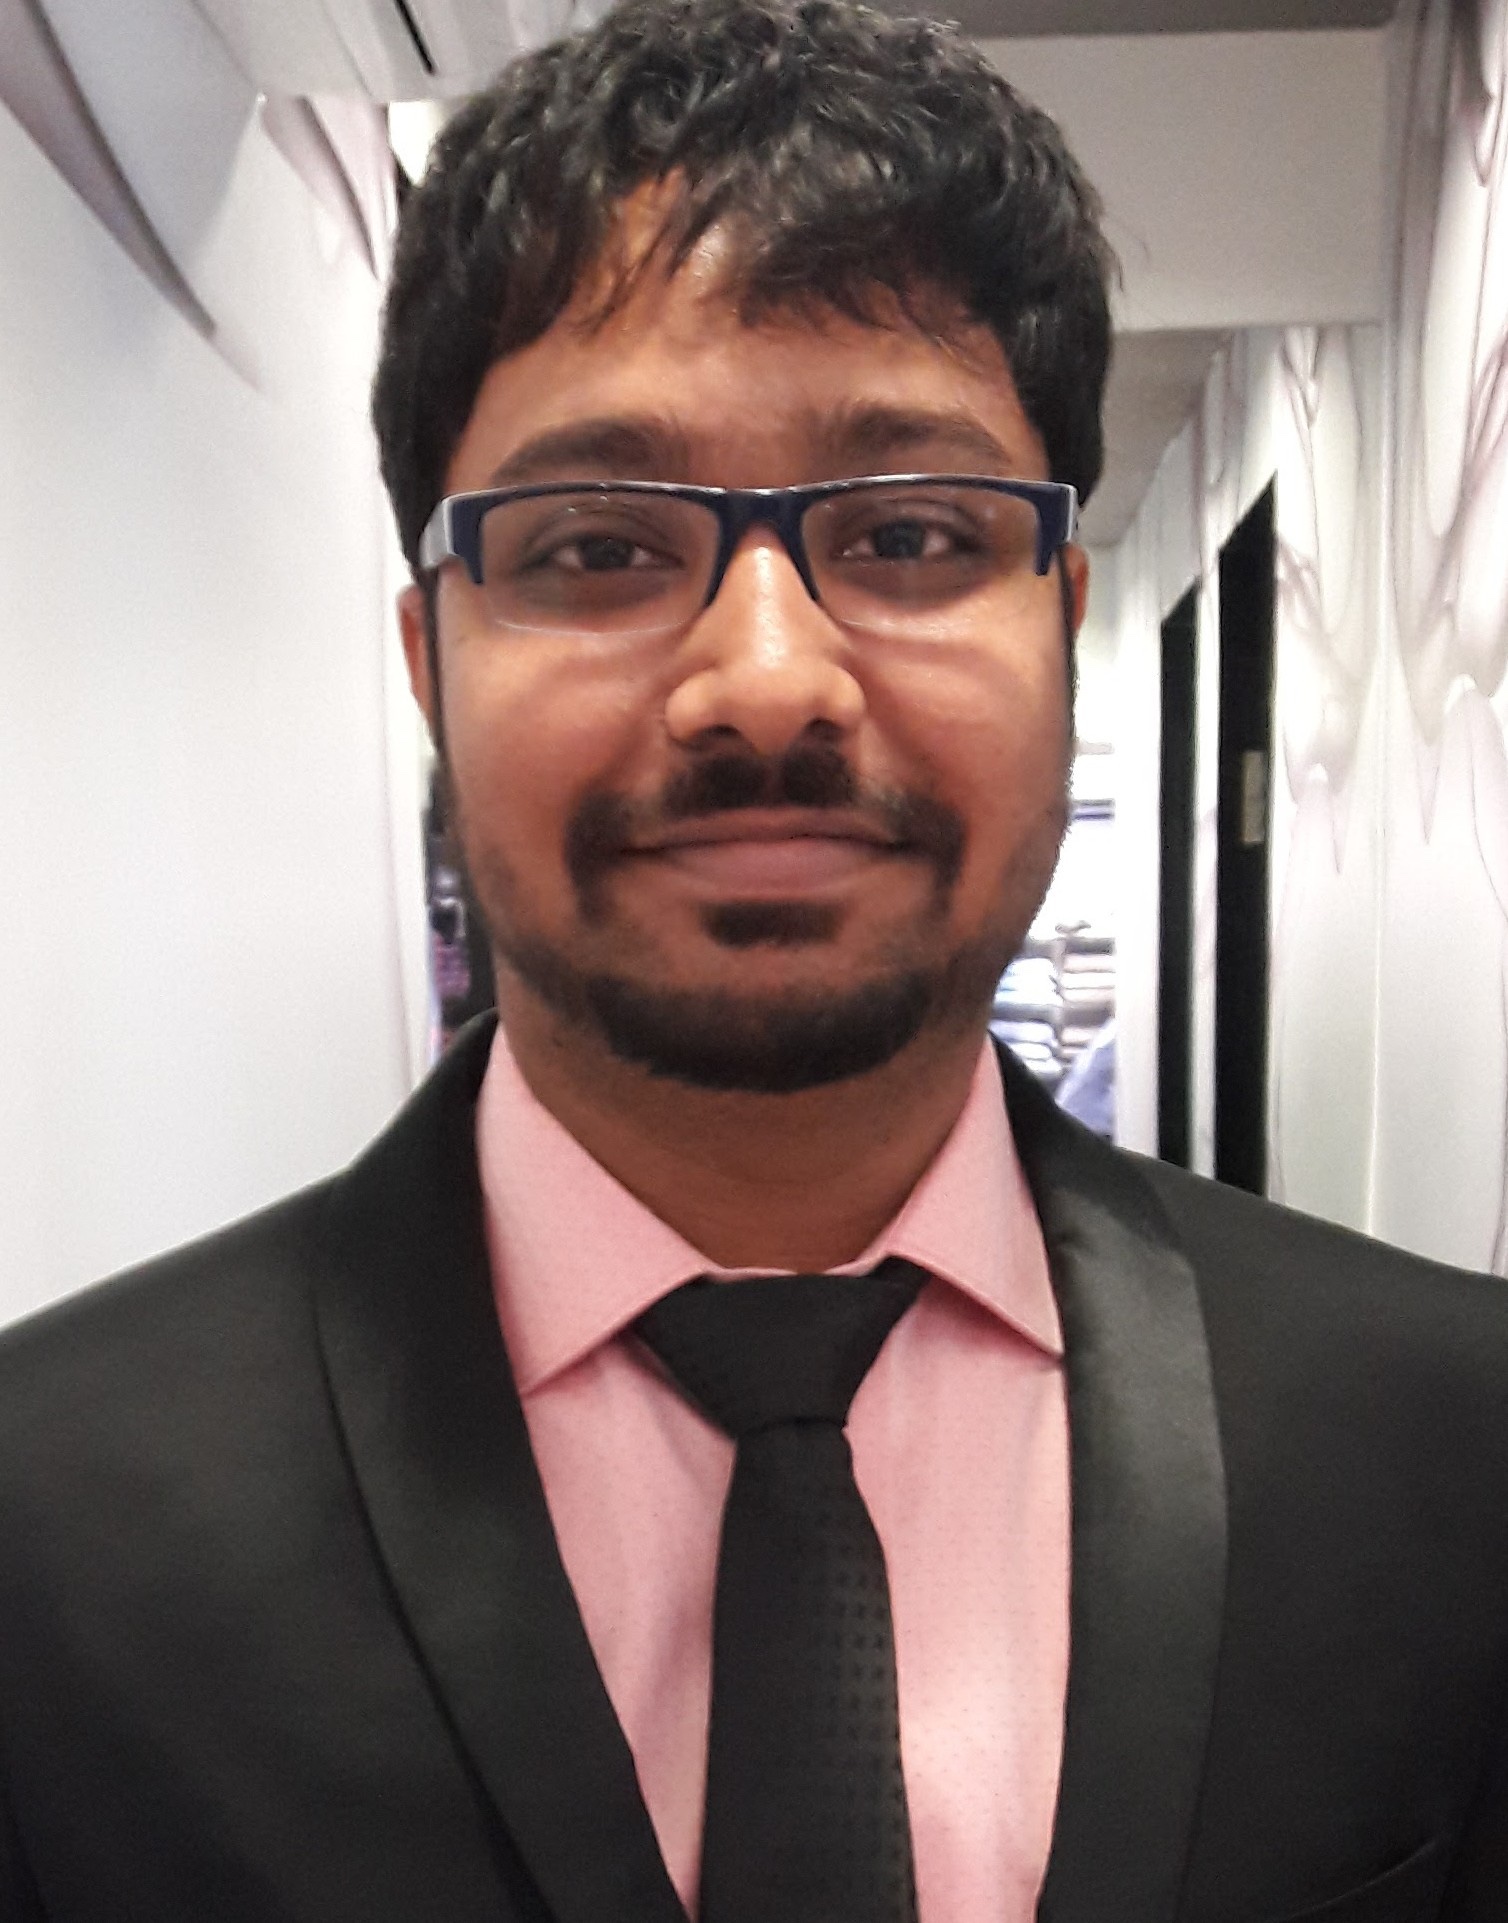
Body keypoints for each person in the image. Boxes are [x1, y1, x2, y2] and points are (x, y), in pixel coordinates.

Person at [1, 1, 1505, 1917]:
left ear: (1063, 622)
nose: (770, 679)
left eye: (913, 535)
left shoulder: (1450, 1446)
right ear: (428, 664)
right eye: (597, 548)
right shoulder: (46, 1529)